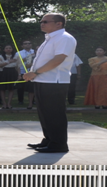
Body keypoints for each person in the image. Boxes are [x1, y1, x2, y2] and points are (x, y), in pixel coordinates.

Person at [23, 13, 77, 153]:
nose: (42, 23)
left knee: (55, 114)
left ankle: (59, 144)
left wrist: (35, 72)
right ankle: (49, 140)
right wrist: (35, 74)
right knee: (45, 113)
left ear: (59, 23)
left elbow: (58, 59)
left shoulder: (64, 38)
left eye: (46, 21)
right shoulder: (50, 39)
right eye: (41, 21)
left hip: (55, 81)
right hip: (43, 80)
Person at [0, 45, 18, 110]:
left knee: (11, 88)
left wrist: (19, 75)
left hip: (12, 72)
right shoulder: (0, 57)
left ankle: (9, 103)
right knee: (2, 89)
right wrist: (8, 61)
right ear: (4, 50)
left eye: (10, 48)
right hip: (3, 73)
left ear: (12, 49)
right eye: (6, 48)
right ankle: (4, 103)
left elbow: (18, 66)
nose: (8, 49)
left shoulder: (16, 56)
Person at [14, 40, 35, 107]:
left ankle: (33, 101)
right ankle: (20, 100)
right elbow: (17, 63)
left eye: (29, 43)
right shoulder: (19, 53)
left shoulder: (35, 52)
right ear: (22, 46)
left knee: (32, 87)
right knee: (20, 87)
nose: (27, 45)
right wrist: (28, 57)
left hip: (32, 72)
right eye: (25, 44)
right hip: (22, 71)